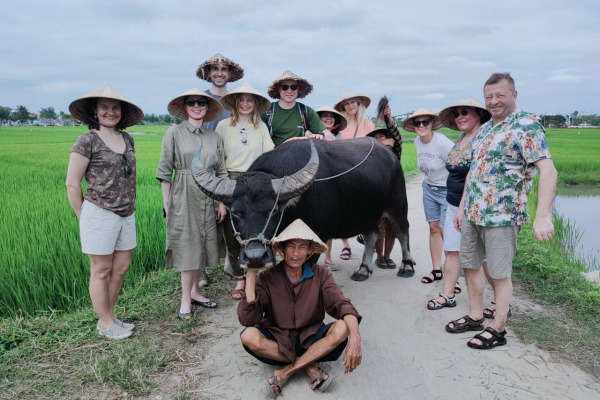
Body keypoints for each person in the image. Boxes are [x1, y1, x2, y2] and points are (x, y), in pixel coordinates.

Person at [446, 72, 557, 349]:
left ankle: (498, 327)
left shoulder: (526, 126)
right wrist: (461, 208)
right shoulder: (484, 129)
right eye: (489, 97)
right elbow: (473, 172)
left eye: (500, 95)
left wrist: (543, 216)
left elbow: (548, 170)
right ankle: (475, 316)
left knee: (498, 272)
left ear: (514, 96)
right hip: (473, 212)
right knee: (470, 265)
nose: (494, 101)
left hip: (502, 215)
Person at [238, 219, 362, 398]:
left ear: (310, 251)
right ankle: (309, 366)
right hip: (277, 338)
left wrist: (356, 337)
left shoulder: (321, 274)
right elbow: (248, 319)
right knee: (248, 335)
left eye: (302, 247)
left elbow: (342, 305)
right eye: (291, 246)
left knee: (344, 327)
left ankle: (287, 372)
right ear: (281, 249)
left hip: (311, 338)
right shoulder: (267, 277)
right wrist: (250, 275)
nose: (296, 253)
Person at [66, 85, 144, 339]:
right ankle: (105, 323)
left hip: (126, 212)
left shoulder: (127, 138)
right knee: (101, 270)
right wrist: (84, 218)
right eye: (104, 107)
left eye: (115, 107)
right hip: (99, 212)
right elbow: (72, 183)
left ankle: (110, 316)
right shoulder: (87, 140)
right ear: (95, 112)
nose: (110, 112)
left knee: (121, 267)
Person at [156, 88, 228, 319]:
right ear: (185, 107)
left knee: (204, 244)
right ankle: (185, 299)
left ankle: (196, 292)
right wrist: (167, 203)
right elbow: (165, 171)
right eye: (191, 102)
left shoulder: (214, 137)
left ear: (208, 109)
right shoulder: (174, 132)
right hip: (184, 194)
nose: (196, 106)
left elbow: (222, 172)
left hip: (210, 195)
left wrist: (222, 203)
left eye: (201, 103)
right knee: (188, 246)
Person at [425, 97, 491, 310]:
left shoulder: (483, 139)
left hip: (474, 207)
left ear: (479, 114)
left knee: (484, 258)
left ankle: (501, 302)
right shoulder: (462, 138)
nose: (460, 116)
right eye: (457, 113)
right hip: (453, 203)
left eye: (465, 111)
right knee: (452, 251)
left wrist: (463, 208)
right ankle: (447, 294)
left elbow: (475, 177)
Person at [215, 82, 274, 299]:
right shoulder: (222, 126)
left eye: (250, 100)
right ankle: (240, 279)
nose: (246, 104)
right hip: (231, 181)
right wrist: (221, 197)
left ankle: (257, 276)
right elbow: (218, 159)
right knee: (233, 232)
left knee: (256, 229)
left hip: (256, 182)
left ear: (256, 104)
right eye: (242, 100)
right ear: (235, 103)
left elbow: (269, 155)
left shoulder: (261, 128)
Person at [402, 109, 454, 285]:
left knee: (447, 232)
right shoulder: (417, 141)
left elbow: (459, 166)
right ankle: (437, 270)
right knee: (433, 228)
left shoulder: (442, 142)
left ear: (432, 123)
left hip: (448, 191)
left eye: (425, 122)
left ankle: (453, 278)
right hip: (429, 189)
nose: (422, 125)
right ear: (414, 126)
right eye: (418, 123)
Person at [366, 104, 403, 270]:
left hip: (394, 198)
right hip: (376, 198)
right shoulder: (369, 156)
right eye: (376, 139)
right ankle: (379, 256)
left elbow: (397, 135)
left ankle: (388, 257)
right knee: (378, 229)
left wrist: (389, 118)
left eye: (383, 137)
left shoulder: (395, 153)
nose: (380, 140)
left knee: (392, 229)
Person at [315, 105, 350, 269]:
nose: (328, 118)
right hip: (316, 181)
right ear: (319, 120)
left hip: (333, 181)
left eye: (331, 116)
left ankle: (327, 257)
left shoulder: (338, 137)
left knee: (329, 221)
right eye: (325, 116)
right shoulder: (313, 135)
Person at [261, 70, 334, 146]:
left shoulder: (306, 111)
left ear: (298, 89)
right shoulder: (266, 111)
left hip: (299, 155)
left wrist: (321, 136)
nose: (289, 91)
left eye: (293, 87)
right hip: (273, 155)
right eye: (284, 87)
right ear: (279, 89)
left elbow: (330, 137)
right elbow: (258, 139)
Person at [196, 53, 244, 131]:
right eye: (215, 68)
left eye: (224, 69)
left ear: (230, 73)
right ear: (208, 73)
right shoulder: (199, 100)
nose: (219, 74)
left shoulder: (236, 102)